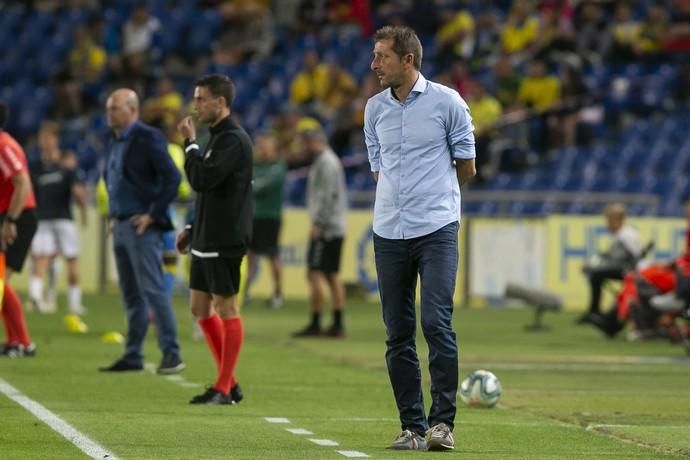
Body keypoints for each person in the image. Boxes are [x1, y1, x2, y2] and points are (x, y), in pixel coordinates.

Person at [363, 25, 476, 451]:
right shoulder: (373, 108)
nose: (374, 64)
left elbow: (467, 165)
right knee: (397, 332)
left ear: (407, 59)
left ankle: (442, 424)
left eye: (382, 57)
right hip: (388, 230)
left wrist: (434, 199)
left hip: (436, 230)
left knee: (435, 322)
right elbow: (378, 167)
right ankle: (412, 426)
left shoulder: (448, 102)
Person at [176, 74, 252, 405]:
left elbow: (201, 179)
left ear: (220, 103)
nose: (196, 105)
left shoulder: (233, 139)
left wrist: (189, 144)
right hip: (207, 236)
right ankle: (229, 382)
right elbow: (212, 191)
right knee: (199, 307)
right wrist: (194, 228)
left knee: (226, 307)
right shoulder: (218, 138)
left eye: (201, 99)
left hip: (225, 237)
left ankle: (223, 387)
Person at [99, 89, 185, 374]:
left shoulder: (147, 137)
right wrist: (114, 214)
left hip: (141, 226)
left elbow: (172, 177)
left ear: (132, 109)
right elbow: (113, 177)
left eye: (115, 108)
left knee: (153, 290)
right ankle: (133, 354)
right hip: (121, 223)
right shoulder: (114, 139)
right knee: (131, 294)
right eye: (109, 108)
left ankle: (172, 353)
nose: (109, 113)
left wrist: (153, 214)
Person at [28, 121, 88, 315]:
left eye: (47, 137)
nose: (44, 141)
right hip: (44, 218)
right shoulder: (37, 167)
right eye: (42, 137)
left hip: (61, 218)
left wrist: (83, 208)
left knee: (68, 259)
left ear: (56, 140)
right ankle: (37, 298)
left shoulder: (64, 167)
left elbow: (78, 194)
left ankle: (73, 303)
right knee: (43, 258)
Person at [292, 127, 347, 338]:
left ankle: (318, 322)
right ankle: (336, 323)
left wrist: (318, 223)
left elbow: (328, 195)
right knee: (330, 274)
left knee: (316, 272)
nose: (303, 148)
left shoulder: (326, 163)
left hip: (327, 228)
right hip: (333, 226)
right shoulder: (326, 161)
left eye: (305, 143)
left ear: (313, 141)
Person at [0, 101, 38, 358]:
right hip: (11, 216)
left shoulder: (3, 145)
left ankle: (23, 342)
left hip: (17, 217)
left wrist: (10, 221)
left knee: (0, 281)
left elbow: (22, 182)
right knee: (1, 282)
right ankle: (17, 341)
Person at [578, 203, 642, 325]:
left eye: (609, 220)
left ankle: (594, 311)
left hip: (629, 271)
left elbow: (636, 257)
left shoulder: (627, 235)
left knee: (596, 275)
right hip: (622, 268)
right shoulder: (619, 234)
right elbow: (610, 256)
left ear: (617, 220)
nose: (606, 224)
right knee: (595, 275)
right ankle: (594, 311)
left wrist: (594, 266)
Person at [244, 131, 287, 309]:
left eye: (264, 146)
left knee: (272, 255)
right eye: (259, 146)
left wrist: (251, 185)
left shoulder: (278, 166)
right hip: (252, 216)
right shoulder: (254, 166)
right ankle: (244, 292)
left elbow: (260, 186)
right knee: (249, 256)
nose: (261, 150)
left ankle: (277, 294)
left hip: (270, 216)